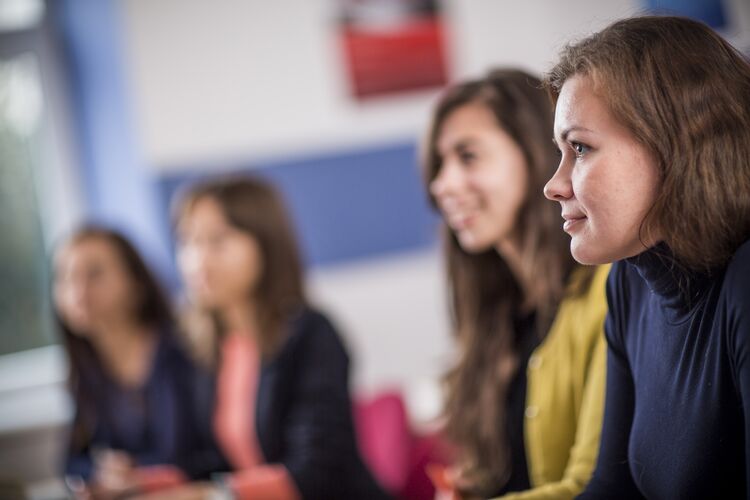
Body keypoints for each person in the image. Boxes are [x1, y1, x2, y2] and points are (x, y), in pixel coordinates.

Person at [543, 15, 750, 498]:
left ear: (676, 146)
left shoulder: (745, 283)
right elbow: (613, 488)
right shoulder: (629, 282)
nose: (554, 185)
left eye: (580, 148)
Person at [423, 68, 609, 499]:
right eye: (439, 164)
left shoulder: (606, 289)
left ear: (536, 154)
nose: (441, 185)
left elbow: (594, 485)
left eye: (468, 156)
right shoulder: (496, 311)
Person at [171, 176, 390, 500]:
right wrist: (146, 483)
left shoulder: (312, 333)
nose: (197, 261)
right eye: (188, 241)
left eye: (217, 241)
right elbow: (214, 462)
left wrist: (213, 495)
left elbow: (315, 472)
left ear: (265, 245)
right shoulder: (210, 346)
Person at [54, 226, 221, 497]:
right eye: (65, 277)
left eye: (95, 274)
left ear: (136, 284)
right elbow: (71, 463)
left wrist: (138, 475)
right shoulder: (86, 369)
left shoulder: (183, 353)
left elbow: (201, 458)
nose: (78, 291)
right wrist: (100, 473)